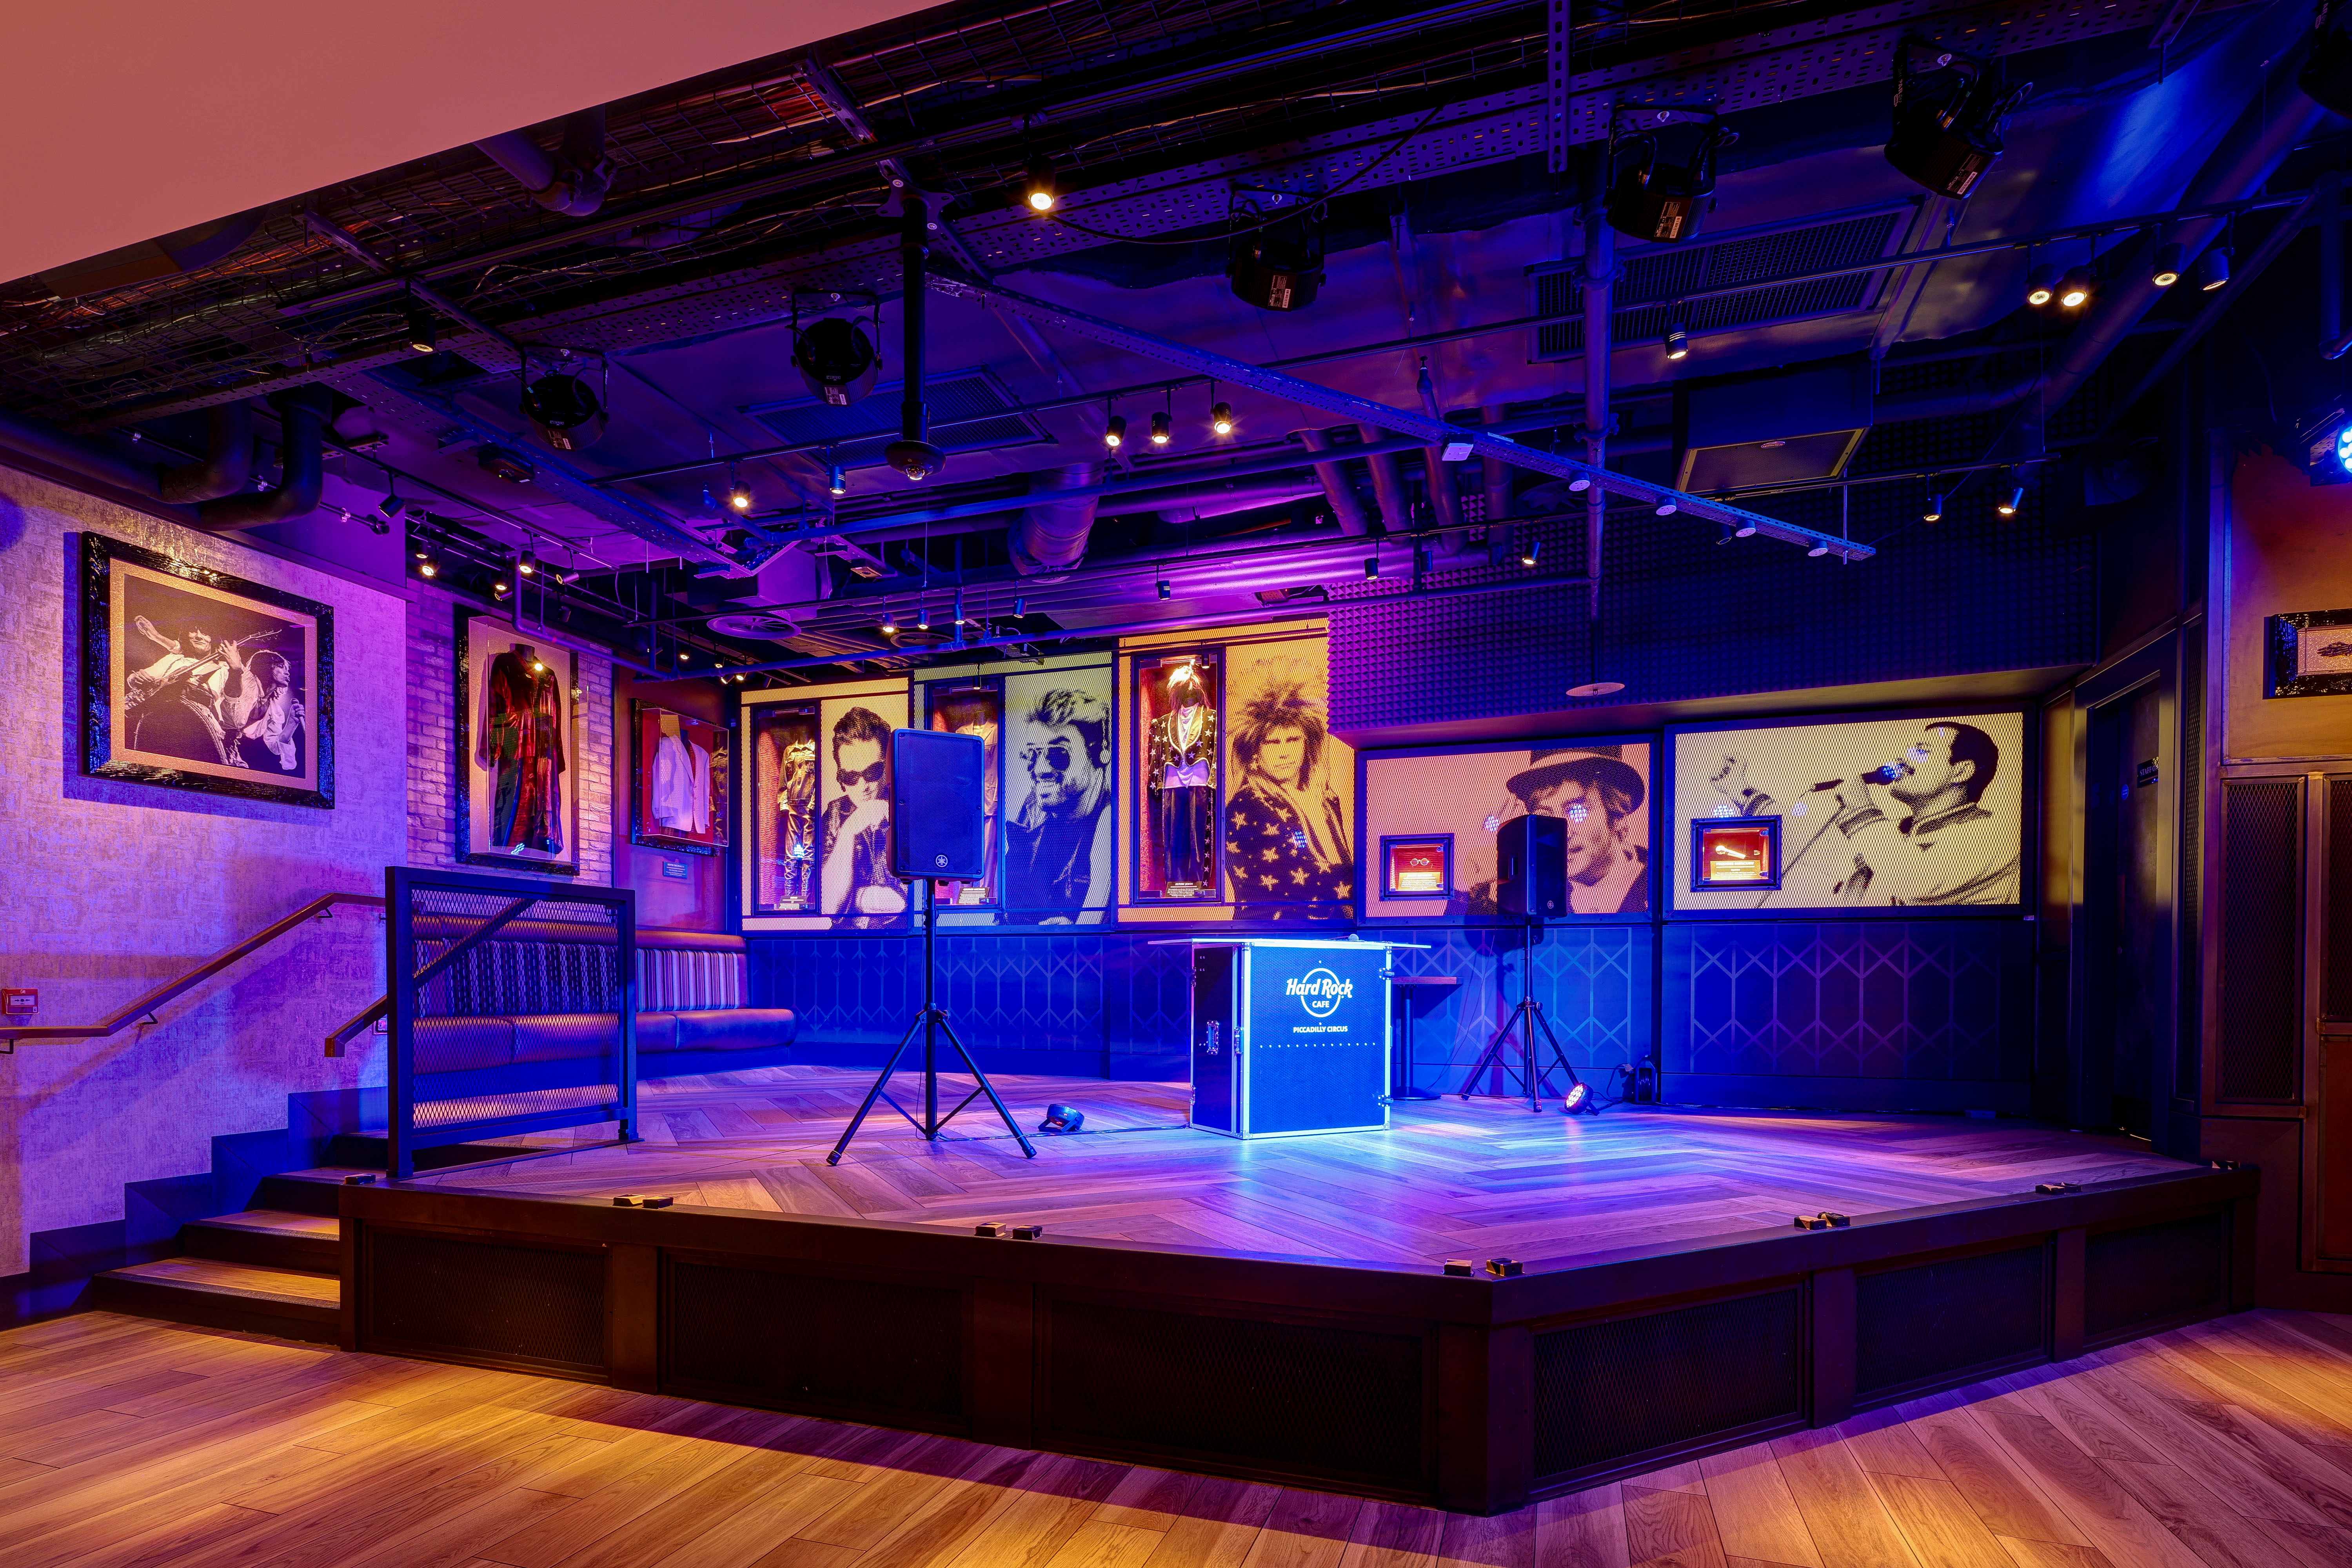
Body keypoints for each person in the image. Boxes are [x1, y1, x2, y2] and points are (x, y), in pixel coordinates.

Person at [1705, 719, 2016, 905]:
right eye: (1909, 751)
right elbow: (1811, 851)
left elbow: (1917, 879)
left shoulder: (1992, 835)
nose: (1903, 759)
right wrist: (1742, 792)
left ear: (1961, 770)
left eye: (1921, 752)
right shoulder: (1898, 833)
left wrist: (1862, 812)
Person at [1462, 749, 1649, 915]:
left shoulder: (1657, 882)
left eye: (1577, 812)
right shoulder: (1525, 886)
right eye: (1545, 816)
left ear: (1617, 818)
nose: (1559, 832)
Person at [1223, 680, 1351, 918]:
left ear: (1307, 746)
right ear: (1254, 752)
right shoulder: (1248, 806)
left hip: (1328, 932)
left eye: (1293, 740)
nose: (1284, 753)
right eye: (1271, 743)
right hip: (1274, 933)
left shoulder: (1325, 800)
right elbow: (1305, 883)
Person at [1004, 689, 1112, 924]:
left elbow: (1091, 921)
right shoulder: (1032, 813)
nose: (1041, 769)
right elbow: (1011, 912)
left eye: (1059, 754)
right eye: (1033, 755)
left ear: (1100, 752)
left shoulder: (1112, 818)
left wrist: (1070, 930)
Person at [820, 705, 907, 926]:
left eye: (872, 773)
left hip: (901, 942)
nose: (863, 786)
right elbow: (829, 904)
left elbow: (900, 901)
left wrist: (854, 898)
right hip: (843, 947)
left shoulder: (907, 810)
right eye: (850, 777)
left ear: (888, 769)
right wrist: (848, 831)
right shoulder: (835, 814)